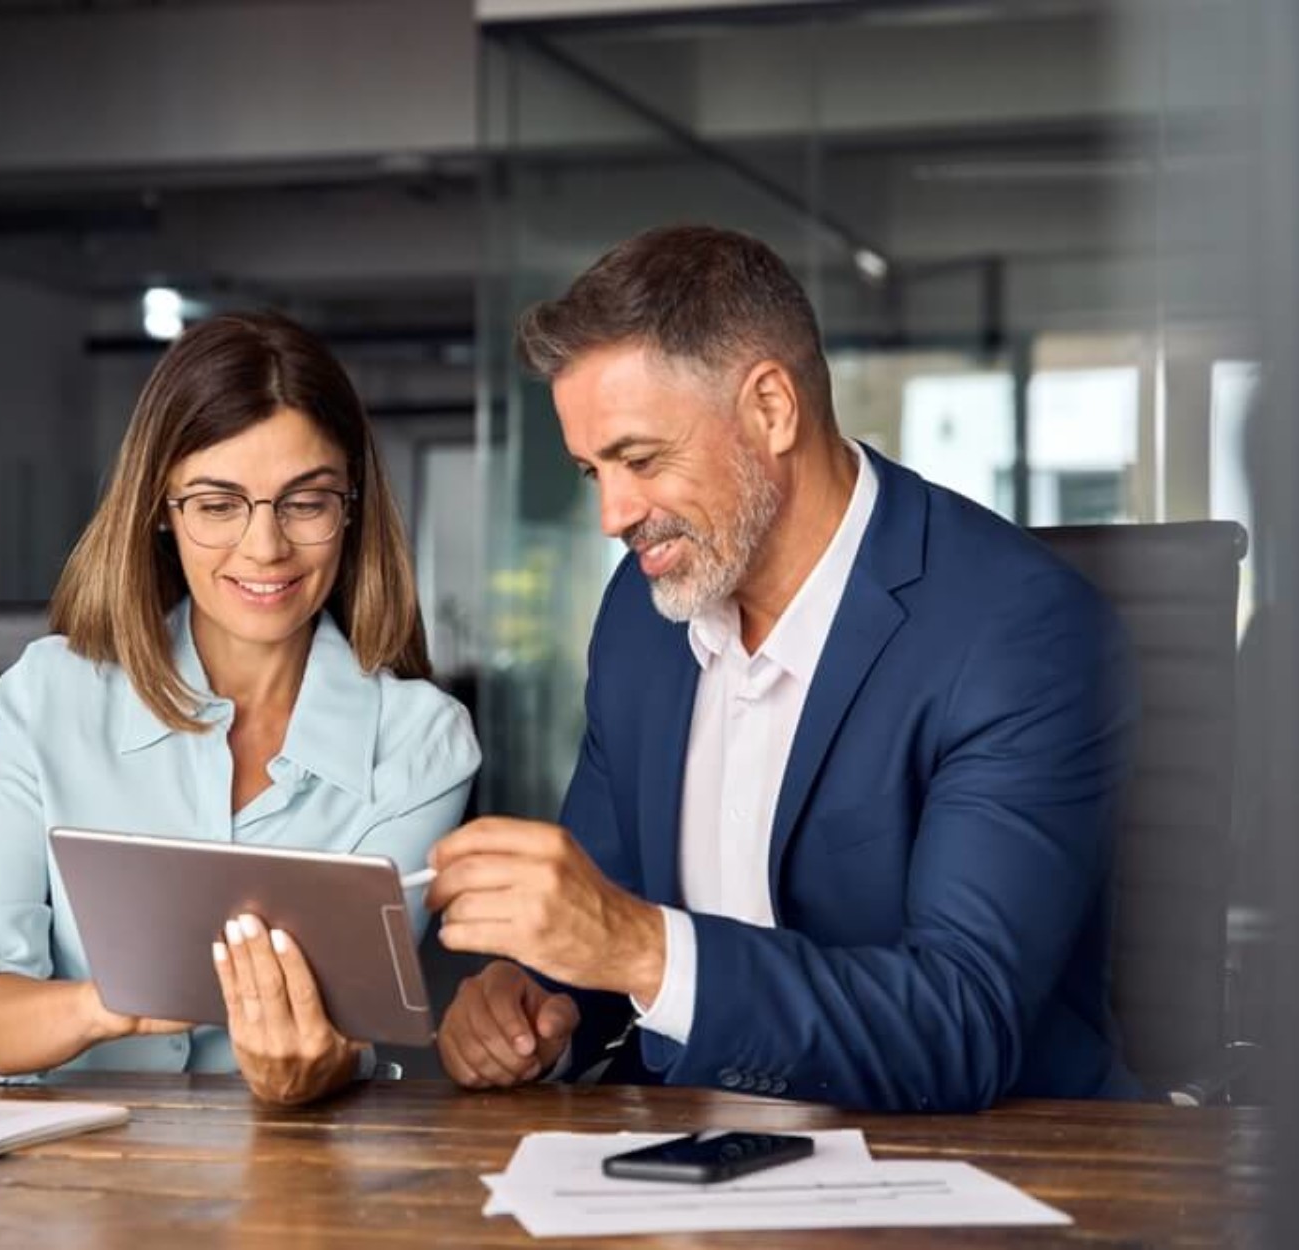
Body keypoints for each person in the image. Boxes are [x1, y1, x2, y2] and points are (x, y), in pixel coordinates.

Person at [427, 225, 1140, 1111]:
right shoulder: (642, 617)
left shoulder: (1018, 632)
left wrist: (644, 951)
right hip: (678, 1156)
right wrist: (532, 1003)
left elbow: (964, 1024)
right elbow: (605, 918)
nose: (613, 514)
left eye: (640, 459)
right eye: (590, 471)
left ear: (771, 407)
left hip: (965, 1170)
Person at [0, 312, 480, 1104]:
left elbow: (352, 1024)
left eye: (305, 503)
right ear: (161, 511)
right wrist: (111, 1005)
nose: (265, 547)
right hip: (74, 1185)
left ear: (351, 507)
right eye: (218, 504)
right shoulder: (49, 696)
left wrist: (317, 1064)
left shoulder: (422, 743)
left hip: (301, 1179)